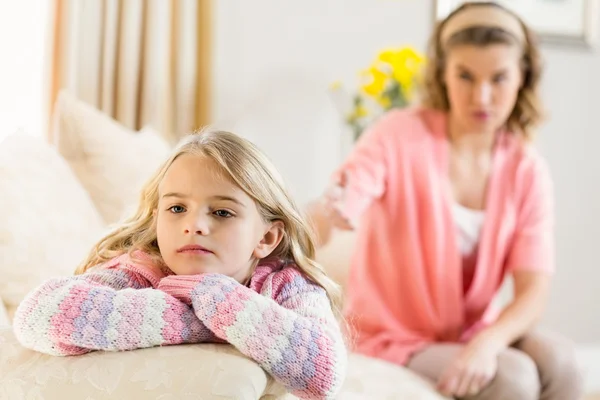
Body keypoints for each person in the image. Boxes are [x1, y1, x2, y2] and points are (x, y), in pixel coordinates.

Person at [309, 2, 583, 399]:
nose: (482, 96)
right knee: (514, 378)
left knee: (563, 362)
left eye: (499, 78)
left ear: (523, 76)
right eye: (465, 76)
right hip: (392, 336)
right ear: (443, 74)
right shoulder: (398, 134)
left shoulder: (527, 169)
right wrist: (331, 207)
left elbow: (532, 293)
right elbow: (348, 190)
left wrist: (486, 344)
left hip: (473, 333)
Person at [13, 129, 347, 400]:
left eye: (221, 212)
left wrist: (218, 299)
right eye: (177, 209)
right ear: (158, 218)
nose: (194, 225)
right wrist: (197, 319)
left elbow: (323, 371)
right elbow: (38, 316)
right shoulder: (141, 269)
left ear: (267, 238)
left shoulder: (287, 284)